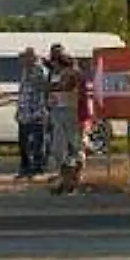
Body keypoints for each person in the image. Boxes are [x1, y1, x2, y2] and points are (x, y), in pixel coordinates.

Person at [46, 47, 87, 194]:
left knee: (74, 147)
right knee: (58, 149)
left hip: (72, 113)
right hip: (58, 112)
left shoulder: (73, 74)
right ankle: (64, 179)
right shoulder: (53, 73)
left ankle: (74, 180)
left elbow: (67, 87)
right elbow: (52, 91)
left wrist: (50, 88)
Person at [14, 47, 50, 180]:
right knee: (23, 143)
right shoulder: (25, 71)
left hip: (37, 113)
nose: (20, 61)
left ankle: (37, 168)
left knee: (37, 143)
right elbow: (23, 92)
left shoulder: (40, 70)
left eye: (23, 58)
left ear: (31, 58)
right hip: (24, 112)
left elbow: (42, 90)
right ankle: (25, 168)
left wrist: (42, 110)